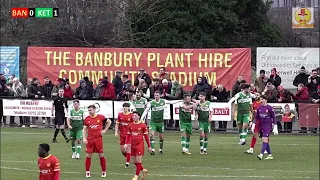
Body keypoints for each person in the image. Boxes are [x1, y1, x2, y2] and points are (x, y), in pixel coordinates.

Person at [83, 105, 112, 178]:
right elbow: (85, 129)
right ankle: (87, 172)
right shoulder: (87, 119)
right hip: (90, 140)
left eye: (91, 110)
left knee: (101, 155)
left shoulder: (101, 117)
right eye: (88, 110)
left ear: (95, 110)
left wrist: (105, 130)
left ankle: (103, 172)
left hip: (98, 139)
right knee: (88, 156)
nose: (89, 112)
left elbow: (109, 122)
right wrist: (84, 138)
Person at [124, 111, 152, 180]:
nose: (134, 117)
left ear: (139, 116)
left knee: (138, 161)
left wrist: (149, 146)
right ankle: (143, 170)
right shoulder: (130, 125)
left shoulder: (143, 126)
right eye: (133, 116)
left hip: (139, 145)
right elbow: (128, 135)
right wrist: (126, 143)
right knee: (134, 161)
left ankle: (136, 176)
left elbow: (146, 137)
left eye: (135, 116)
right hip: (132, 145)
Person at [141, 90, 167, 155]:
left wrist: (181, 101)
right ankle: (152, 149)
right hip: (153, 122)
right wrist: (141, 118)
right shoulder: (151, 103)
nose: (156, 96)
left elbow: (172, 102)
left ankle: (160, 149)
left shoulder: (163, 101)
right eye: (155, 95)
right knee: (151, 135)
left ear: (160, 95)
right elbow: (146, 111)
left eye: (157, 95)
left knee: (161, 137)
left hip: (160, 122)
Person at [254, 95, 278, 160]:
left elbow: (274, 117)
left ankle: (261, 154)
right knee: (264, 140)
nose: (261, 100)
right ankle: (270, 155)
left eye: (262, 99)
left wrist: (275, 126)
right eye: (261, 99)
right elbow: (256, 117)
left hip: (268, 126)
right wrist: (253, 124)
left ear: (266, 100)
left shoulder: (270, 108)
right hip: (261, 126)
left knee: (265, 139)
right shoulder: (259, 108)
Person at [115, 102, 133, 168]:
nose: (124, 108)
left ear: (128, 108)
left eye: (126, 107)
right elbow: (117, 124)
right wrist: (116, 132)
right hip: (122, 135)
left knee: (128, 148)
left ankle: (127, 163)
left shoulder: (131, 115)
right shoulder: (120, 115)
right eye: (124, 107)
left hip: (129, 135)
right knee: (122, 150)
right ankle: (130, 157)